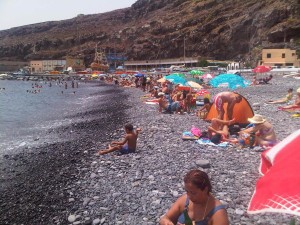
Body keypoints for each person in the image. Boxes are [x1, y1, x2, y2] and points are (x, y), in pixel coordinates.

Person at [159, 169, 229, 225]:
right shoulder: (184, 201)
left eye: (193, 193)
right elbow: (166, 218)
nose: (189, 196)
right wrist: (166, 222)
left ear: (205, 189)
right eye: (187, 191)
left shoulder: (218, 213)